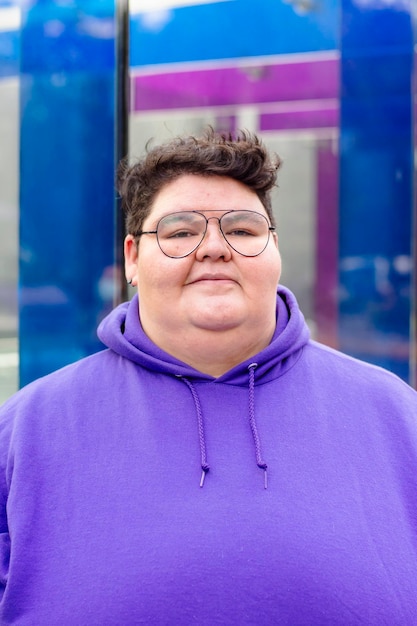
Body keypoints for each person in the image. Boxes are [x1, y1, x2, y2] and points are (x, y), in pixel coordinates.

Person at [0, 129, 416, 625]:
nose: (215, 248)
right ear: (133, 258)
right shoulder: (27, 430)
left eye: (242, 230)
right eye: (179, 232)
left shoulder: (395, 413)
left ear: (274, 250)